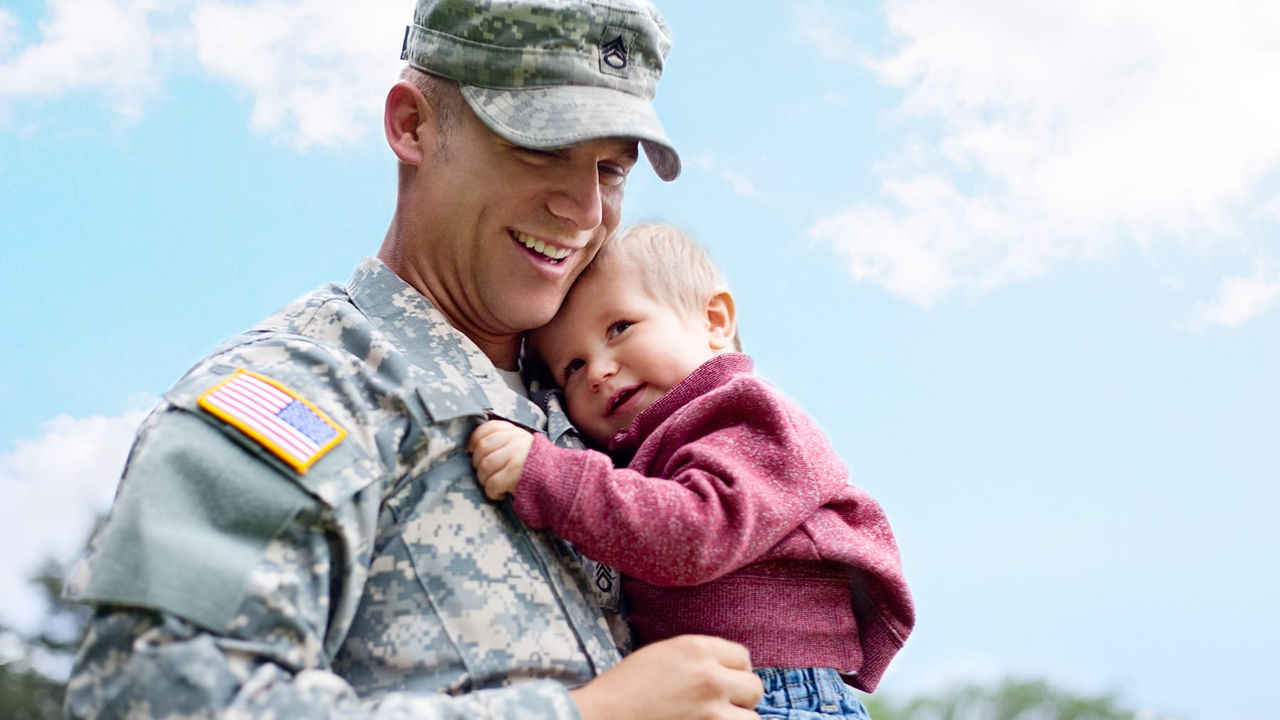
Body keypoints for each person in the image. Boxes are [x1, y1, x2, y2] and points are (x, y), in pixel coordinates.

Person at [62, 2, 765, 718]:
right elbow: (148, 698)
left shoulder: (608, 409)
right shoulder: (298, 390)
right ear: (412, 125)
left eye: (611, 168)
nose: (585, 209)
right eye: (543, 148)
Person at [468, 222, 916, 718]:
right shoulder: (642, 448)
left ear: (714, 321)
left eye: (620, 328)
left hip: (776, 694)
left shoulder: (747, 415)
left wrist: (547, 475)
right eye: (572, 367)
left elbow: (697, 533)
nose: (598, 371)